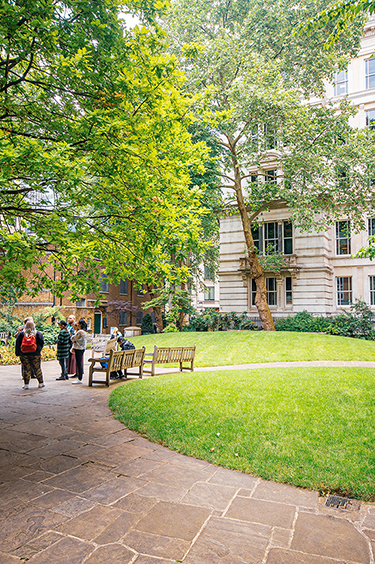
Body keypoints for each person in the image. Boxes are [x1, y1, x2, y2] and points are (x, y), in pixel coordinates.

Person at [15, 320, 45, 390]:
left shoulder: (22, 334)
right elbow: (41, 342)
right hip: (35, 354)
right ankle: (41, 383)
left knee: (26, 369)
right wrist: (38, 350)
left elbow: (18, 343)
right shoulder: (37, 333)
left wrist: (18, 353)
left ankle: (26, 384)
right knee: (37, 368)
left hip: (24, 354)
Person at [71, 319, 87, 384]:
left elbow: (73, 338)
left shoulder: (80, 332)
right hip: (82, 348)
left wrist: (73, 338)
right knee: (79, 363)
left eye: (78, 323)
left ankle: (79, 378)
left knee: (79, 363)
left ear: (81, 324)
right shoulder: (84, 332)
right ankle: (80, 377)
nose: (76, 324)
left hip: (78, 348)